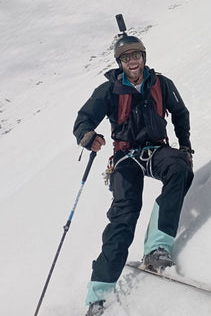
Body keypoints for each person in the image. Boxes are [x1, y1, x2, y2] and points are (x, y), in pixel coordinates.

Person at [73, 34, 194, 315]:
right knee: (125, 214)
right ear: (120, 62)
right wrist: (86, 135)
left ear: (144, 57)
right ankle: (98, 295)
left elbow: (180, 113)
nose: (132, 61)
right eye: (126, 58)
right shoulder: (109, 90)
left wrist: (185, 146)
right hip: (126, 157)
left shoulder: (161, 83)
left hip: (155, 150)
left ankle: (156, 248)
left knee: (179, 168)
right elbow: (84, 118)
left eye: (136, 55)